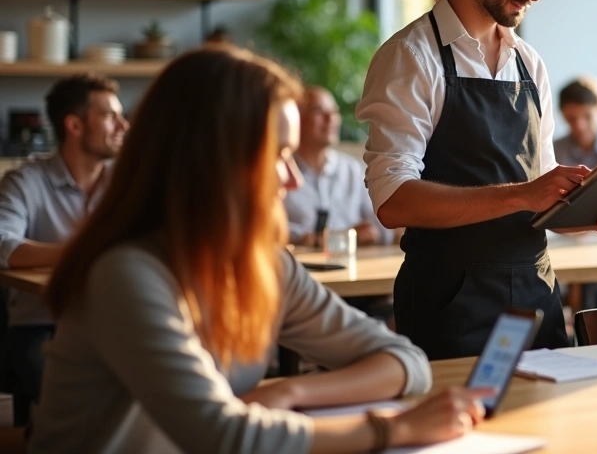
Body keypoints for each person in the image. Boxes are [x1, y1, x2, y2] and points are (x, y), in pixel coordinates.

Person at [32, 46, 489, 453]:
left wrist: (290, 391)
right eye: (278, 154)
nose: (292, 180)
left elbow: (406, 362)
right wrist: (393, 430)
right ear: (213, 159)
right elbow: (223, 437)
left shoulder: (264, 267)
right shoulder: (125, 276)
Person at [357, 0, 597, 360]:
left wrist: (592, 214)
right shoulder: (412, 56)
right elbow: (392, 201)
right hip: (449, 303)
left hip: (535, 297)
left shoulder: (529, 63)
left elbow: (541, 199)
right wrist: (522, 194)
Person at [0, 73, 127, 423]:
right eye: (110, 116)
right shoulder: (25, 181)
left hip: (117, 324)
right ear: (74, 125)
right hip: (41, 329)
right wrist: (80, 253)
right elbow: (2, 244)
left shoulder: (126, 185)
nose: (123, 125)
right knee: (85, 409)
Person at [283, 86, 391, 247]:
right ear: (296, 118)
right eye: (318, 111)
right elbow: (267, 227)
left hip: (352, 261)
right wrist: (314, 238)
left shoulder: (352, 170)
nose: (330, 118)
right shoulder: (281, 172)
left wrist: (372, 233)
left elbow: (382, 227)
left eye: (334, 111)